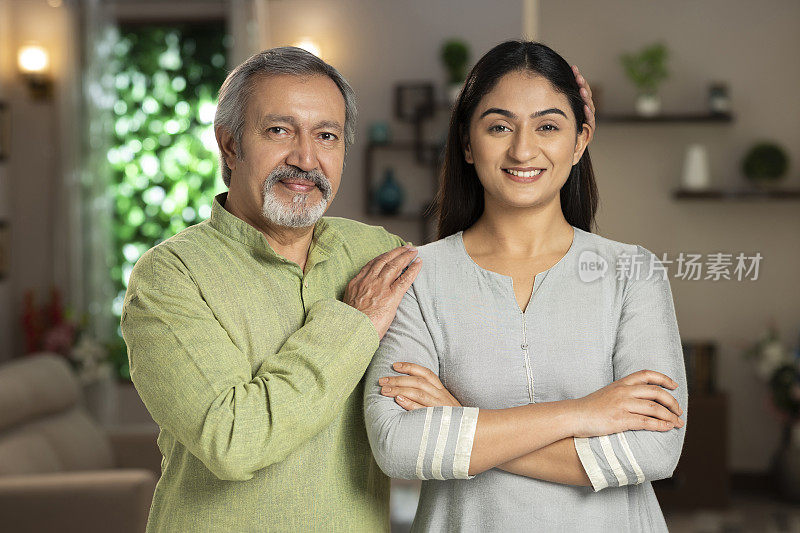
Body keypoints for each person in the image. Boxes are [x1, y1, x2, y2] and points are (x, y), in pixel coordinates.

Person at [120, 44, 604, 531]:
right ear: (229, 145)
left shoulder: (375, 252)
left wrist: (557, 139)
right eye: (279, 130)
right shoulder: (169, 276)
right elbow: (232, 442)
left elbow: (491, 284)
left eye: (326, 136)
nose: (305, 157)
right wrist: (353, 323)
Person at [363, 40, 687, 532]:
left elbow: (655, 450)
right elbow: (399, 446)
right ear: (468, 144)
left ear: (579, 141)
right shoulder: (416, 278)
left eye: (549, 126)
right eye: (498, 126)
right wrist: (583, 414)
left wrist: (461, 418)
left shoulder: (631, 272)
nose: (522, 149)